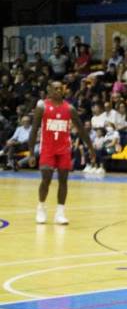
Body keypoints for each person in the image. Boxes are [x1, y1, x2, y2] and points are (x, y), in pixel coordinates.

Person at [28, 81, 95, 224]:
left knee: (63, 181)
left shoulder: (70, 108)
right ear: (50, 90)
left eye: (60, 89)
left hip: (64, 149)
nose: (58, 91)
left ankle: (60, 212)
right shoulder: (42, 107)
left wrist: (91, 148)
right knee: (46, 180)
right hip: (47, 148)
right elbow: (34, 130)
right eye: (55, 88)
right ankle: (41, 207)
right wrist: (31, 153)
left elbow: (82, 130)